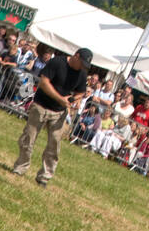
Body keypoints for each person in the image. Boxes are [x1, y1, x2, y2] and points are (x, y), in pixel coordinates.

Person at [12, 47, 92, 187]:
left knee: (54, 146)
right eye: (82, 63)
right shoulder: (57, 62)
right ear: (76, 56)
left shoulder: (81, 73)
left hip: (59, 113)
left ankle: (44, 177)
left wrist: (74, 99)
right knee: (28, 139)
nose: (83, 67)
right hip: (41, 106)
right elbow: (44, 83)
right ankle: (20, 168)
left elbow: (81, 92)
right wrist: (60, 98)